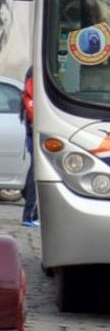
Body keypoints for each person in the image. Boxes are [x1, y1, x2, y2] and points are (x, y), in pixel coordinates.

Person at [19, 67, 37, 228]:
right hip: (35, 129)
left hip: (32, 128)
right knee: (37, 170)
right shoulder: (35, 73)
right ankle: (30, 214)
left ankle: (27, 197)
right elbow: (31, 104)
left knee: (35, 169)